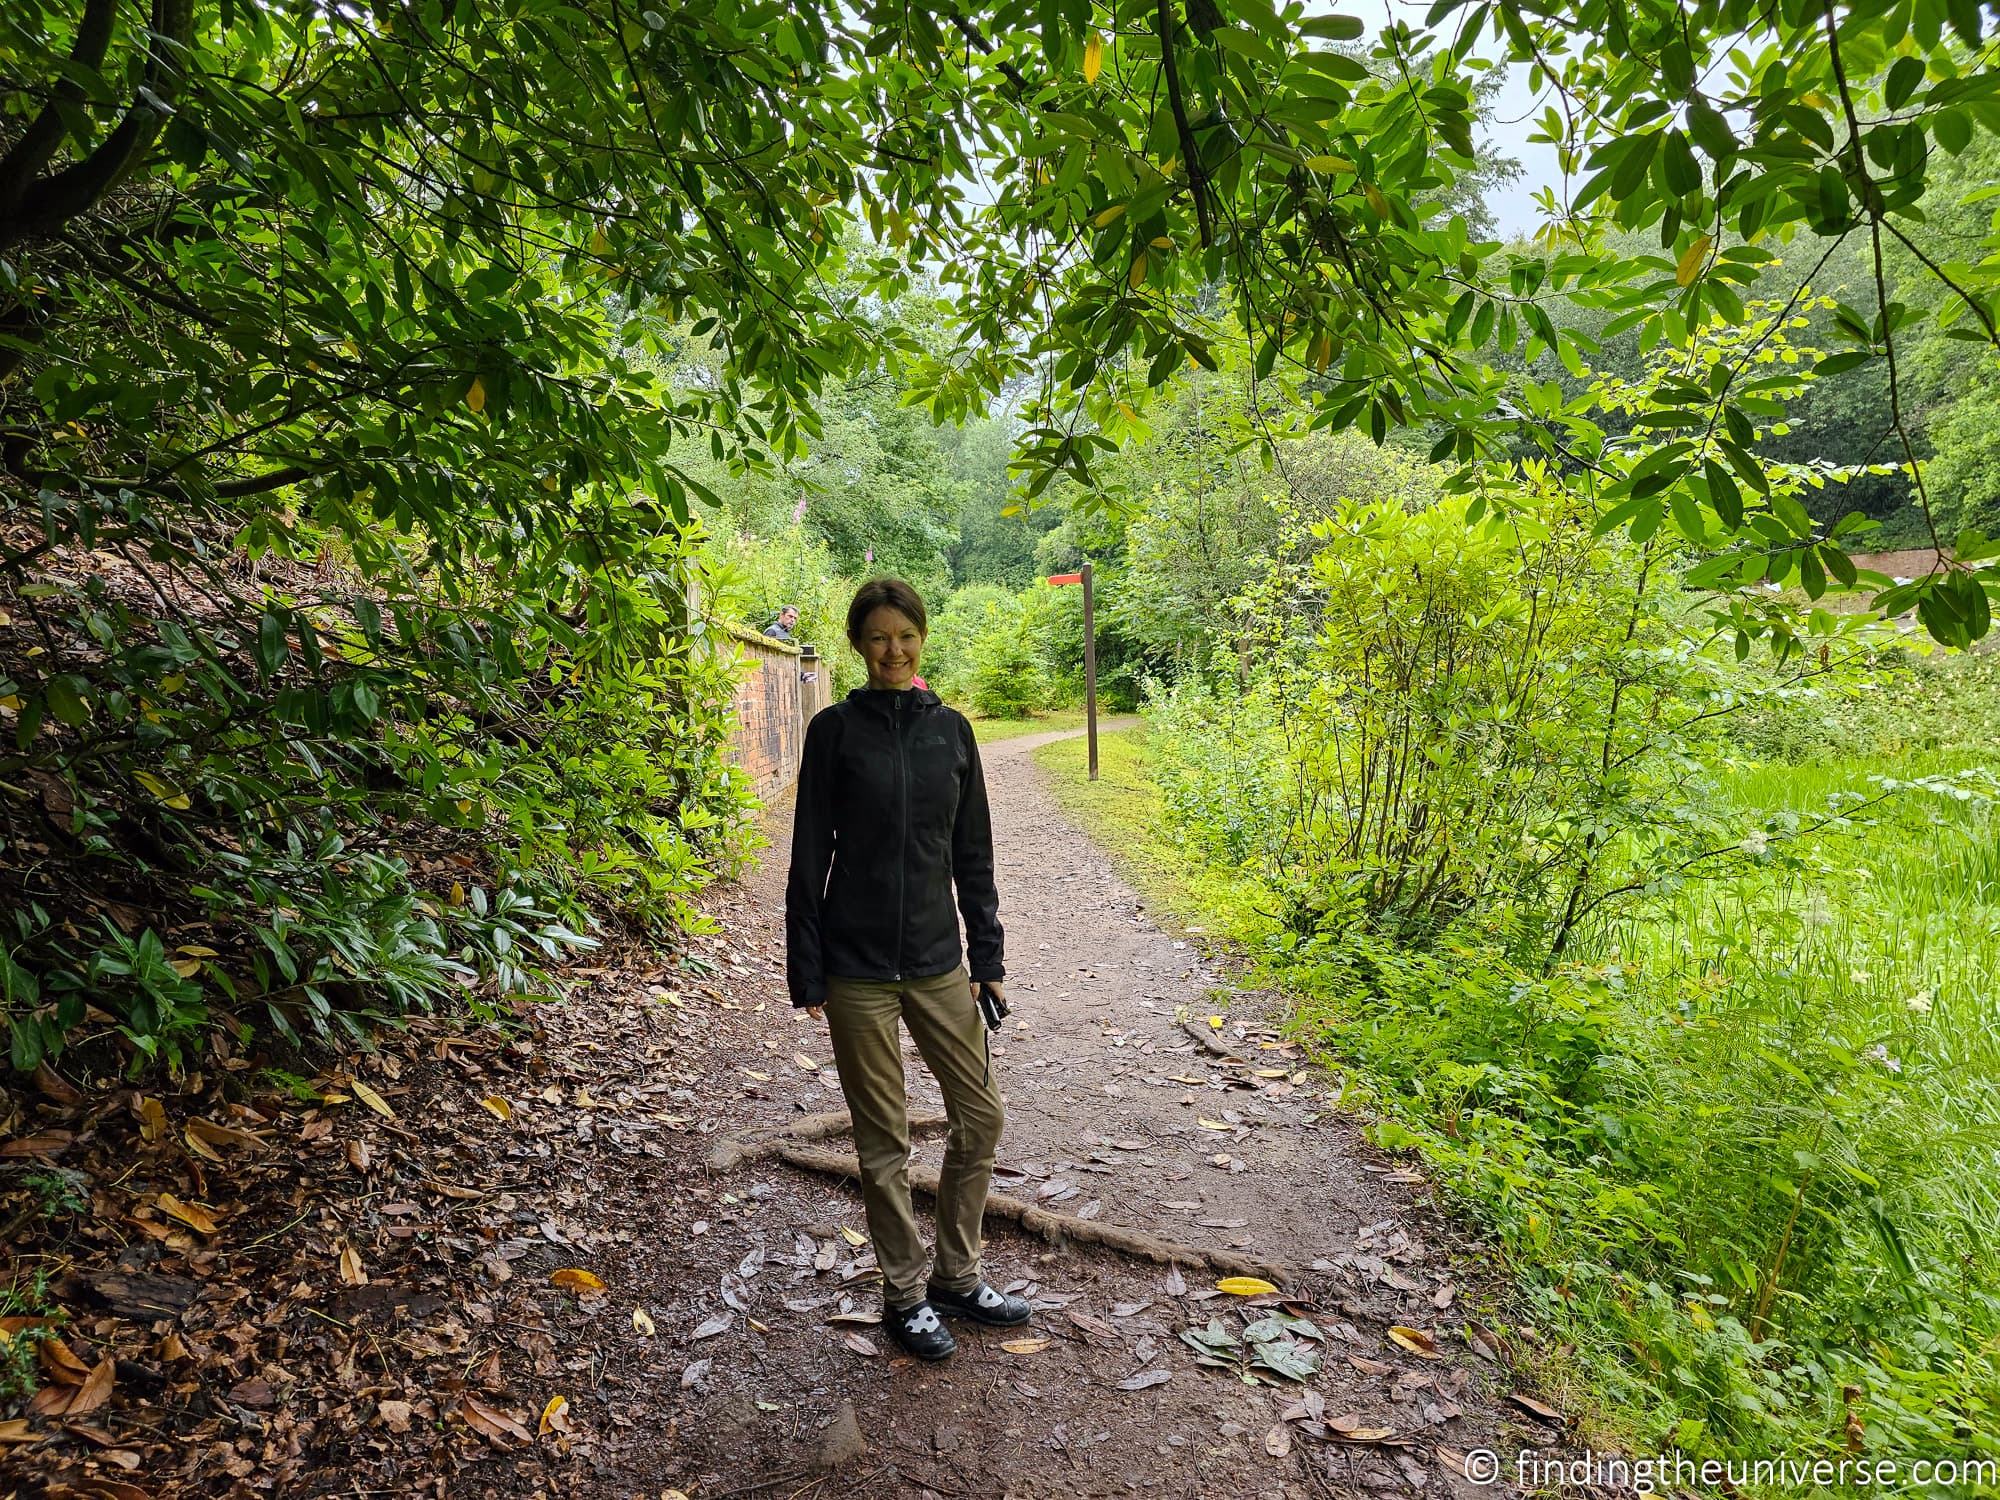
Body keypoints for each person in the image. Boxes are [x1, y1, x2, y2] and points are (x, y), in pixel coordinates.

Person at [785, 577, 1029, 1360]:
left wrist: (987, 958)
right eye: (879, 637)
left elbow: (974, 855)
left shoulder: (952, 733)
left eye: (906, 635)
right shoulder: (833, 732)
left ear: (923, 639)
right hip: (856, 969)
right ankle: (904, 1292)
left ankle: (958, 1275)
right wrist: (809, 970)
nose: (894, 649)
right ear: (859, 644)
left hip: (937, 963)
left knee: (980, 1115)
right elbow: (806, 857)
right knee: (883, 1138)